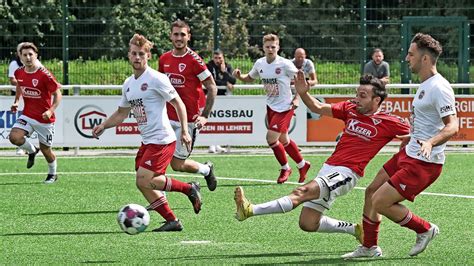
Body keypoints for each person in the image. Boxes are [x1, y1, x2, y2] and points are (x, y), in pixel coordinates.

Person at [234, 73, 410, 245]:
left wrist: (406, 156)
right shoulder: (350, 108)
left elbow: (413, 136)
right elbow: (317, 107)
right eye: (356, 94)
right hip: (328, 168)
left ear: (376, 100)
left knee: (301, 192)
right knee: (308, 223)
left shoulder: (389, 121)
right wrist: (303, 93)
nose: (356, 99)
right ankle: (355, 230)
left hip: (346, 174)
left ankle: (250, 210)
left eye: (362, 96)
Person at [343, 33, 459, 259]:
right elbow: (426, 121)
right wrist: (411, 137)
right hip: (409, 153)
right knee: (371, 192)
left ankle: (424, 229)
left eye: (411, 54)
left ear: (425, 59)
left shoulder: (439, 87)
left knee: (380, 202)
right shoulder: (426, 84)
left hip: (424, 162)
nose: (407, 58)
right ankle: (369, 247)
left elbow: (452, 125)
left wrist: (430, 141)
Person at [92, 33, 202, 232]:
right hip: (148, 141)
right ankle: (172, 221)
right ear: (128, 55)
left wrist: (185, 130)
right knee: (143, 183)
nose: (137, 57)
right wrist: (103, 125)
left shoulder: (156, 78)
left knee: (145, 179)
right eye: (133, 53)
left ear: (148, 56)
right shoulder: (128, 84)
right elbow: (121, 113)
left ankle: (189, 188)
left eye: (141, 54)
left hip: (162, 139)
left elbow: (178, 103)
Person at [233, 34, 311, 184]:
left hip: (285, 106)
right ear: (263, 47)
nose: (270, 49)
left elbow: (301, 81)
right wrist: (240, 76)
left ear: (278, 48)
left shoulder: (285, 64)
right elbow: (250, 77)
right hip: (271, 106)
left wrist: (296, 98)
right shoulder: (260, 63)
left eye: (273, 47)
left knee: (271, 138)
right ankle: (303, 165)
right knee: (283, 139)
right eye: (267, 47)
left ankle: (285, 168)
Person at [159, 20, 218, 191]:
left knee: (177, 164)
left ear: (188, 37)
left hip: (188, 121)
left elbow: (212, 87)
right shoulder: (164, 59)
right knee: (158, 159)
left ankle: (206, 170)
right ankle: (159, 199)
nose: (179, 38)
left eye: (182, 34)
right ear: (171, 36)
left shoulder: (194, 60)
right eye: (176, 34)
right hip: (166, 118)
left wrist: (205, 115)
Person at [9, 42, 62, 184]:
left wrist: (50, 110)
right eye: (24, 55)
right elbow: (20, 84)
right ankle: (32, 150)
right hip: (27, 115)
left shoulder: (44, 75)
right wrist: (16, 101)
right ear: (20, 57)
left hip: (44, 120)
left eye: (30, 54)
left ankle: (53, 174)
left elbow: (58, 94)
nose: (27, 57)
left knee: (46, 150)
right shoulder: (18, 72)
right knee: (14, 137)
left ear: (36, 55)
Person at [206, 49, 236, 153]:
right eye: (215, 58)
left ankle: (217, 144)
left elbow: (233, 80)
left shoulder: (227, 66)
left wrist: (225, 73)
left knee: (220, 120)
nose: (218, 60)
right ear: (212, 58)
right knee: (211, 120)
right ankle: (211, 144)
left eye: (220, 58)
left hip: (224, 97)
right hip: (211, 97)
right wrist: (225, 82)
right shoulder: (209, 66)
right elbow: (212, 81)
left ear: (223, 58)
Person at [8, 43, 25, 155]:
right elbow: (12, 79)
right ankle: (20, 147)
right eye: (22, 52)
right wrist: (25, 83)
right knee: (19, 122)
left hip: (32, 97)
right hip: (18, 96)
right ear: (18, 53)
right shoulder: (14, 64)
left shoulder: (36, 63)